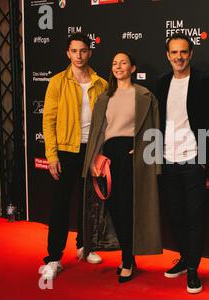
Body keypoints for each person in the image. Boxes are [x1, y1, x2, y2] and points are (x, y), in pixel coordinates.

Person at [81, 51, 163, 283]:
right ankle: (128, 254)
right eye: (114, 63)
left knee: (129, 208)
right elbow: (98, 131)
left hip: (133, 156)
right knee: (115, 208)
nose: (118, 67)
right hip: (109, 158)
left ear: (132, 68)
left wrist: (144, 150)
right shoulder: (105, 97)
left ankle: (127, 258)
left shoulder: (145, 95)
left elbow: (154, 130)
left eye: (123, 63)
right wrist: (94, 159)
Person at [42, 32, 107, 278]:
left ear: (89, 52)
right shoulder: (57, 82)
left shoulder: (101, 83)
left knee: (87, 202)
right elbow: (48, 121)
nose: (79, 56)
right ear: (67, 53)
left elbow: (106, 121)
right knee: (60, 205)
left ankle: (84, 246)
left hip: (91, 150)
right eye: (74, 51)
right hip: (66, 151)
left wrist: (101, 152)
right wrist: (51, 156)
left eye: (83, 51)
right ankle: (54, 257)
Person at [156, 33, 209, 294]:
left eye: (183, 52)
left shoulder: (204, 82)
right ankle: (184, 259)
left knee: (195, 217)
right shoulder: (161, 83)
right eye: (174, 53)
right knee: (176, 215)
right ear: (168, 56)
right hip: (168, 160)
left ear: (190, 54)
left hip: (194, 161)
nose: (179, 57)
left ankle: (193, 269)